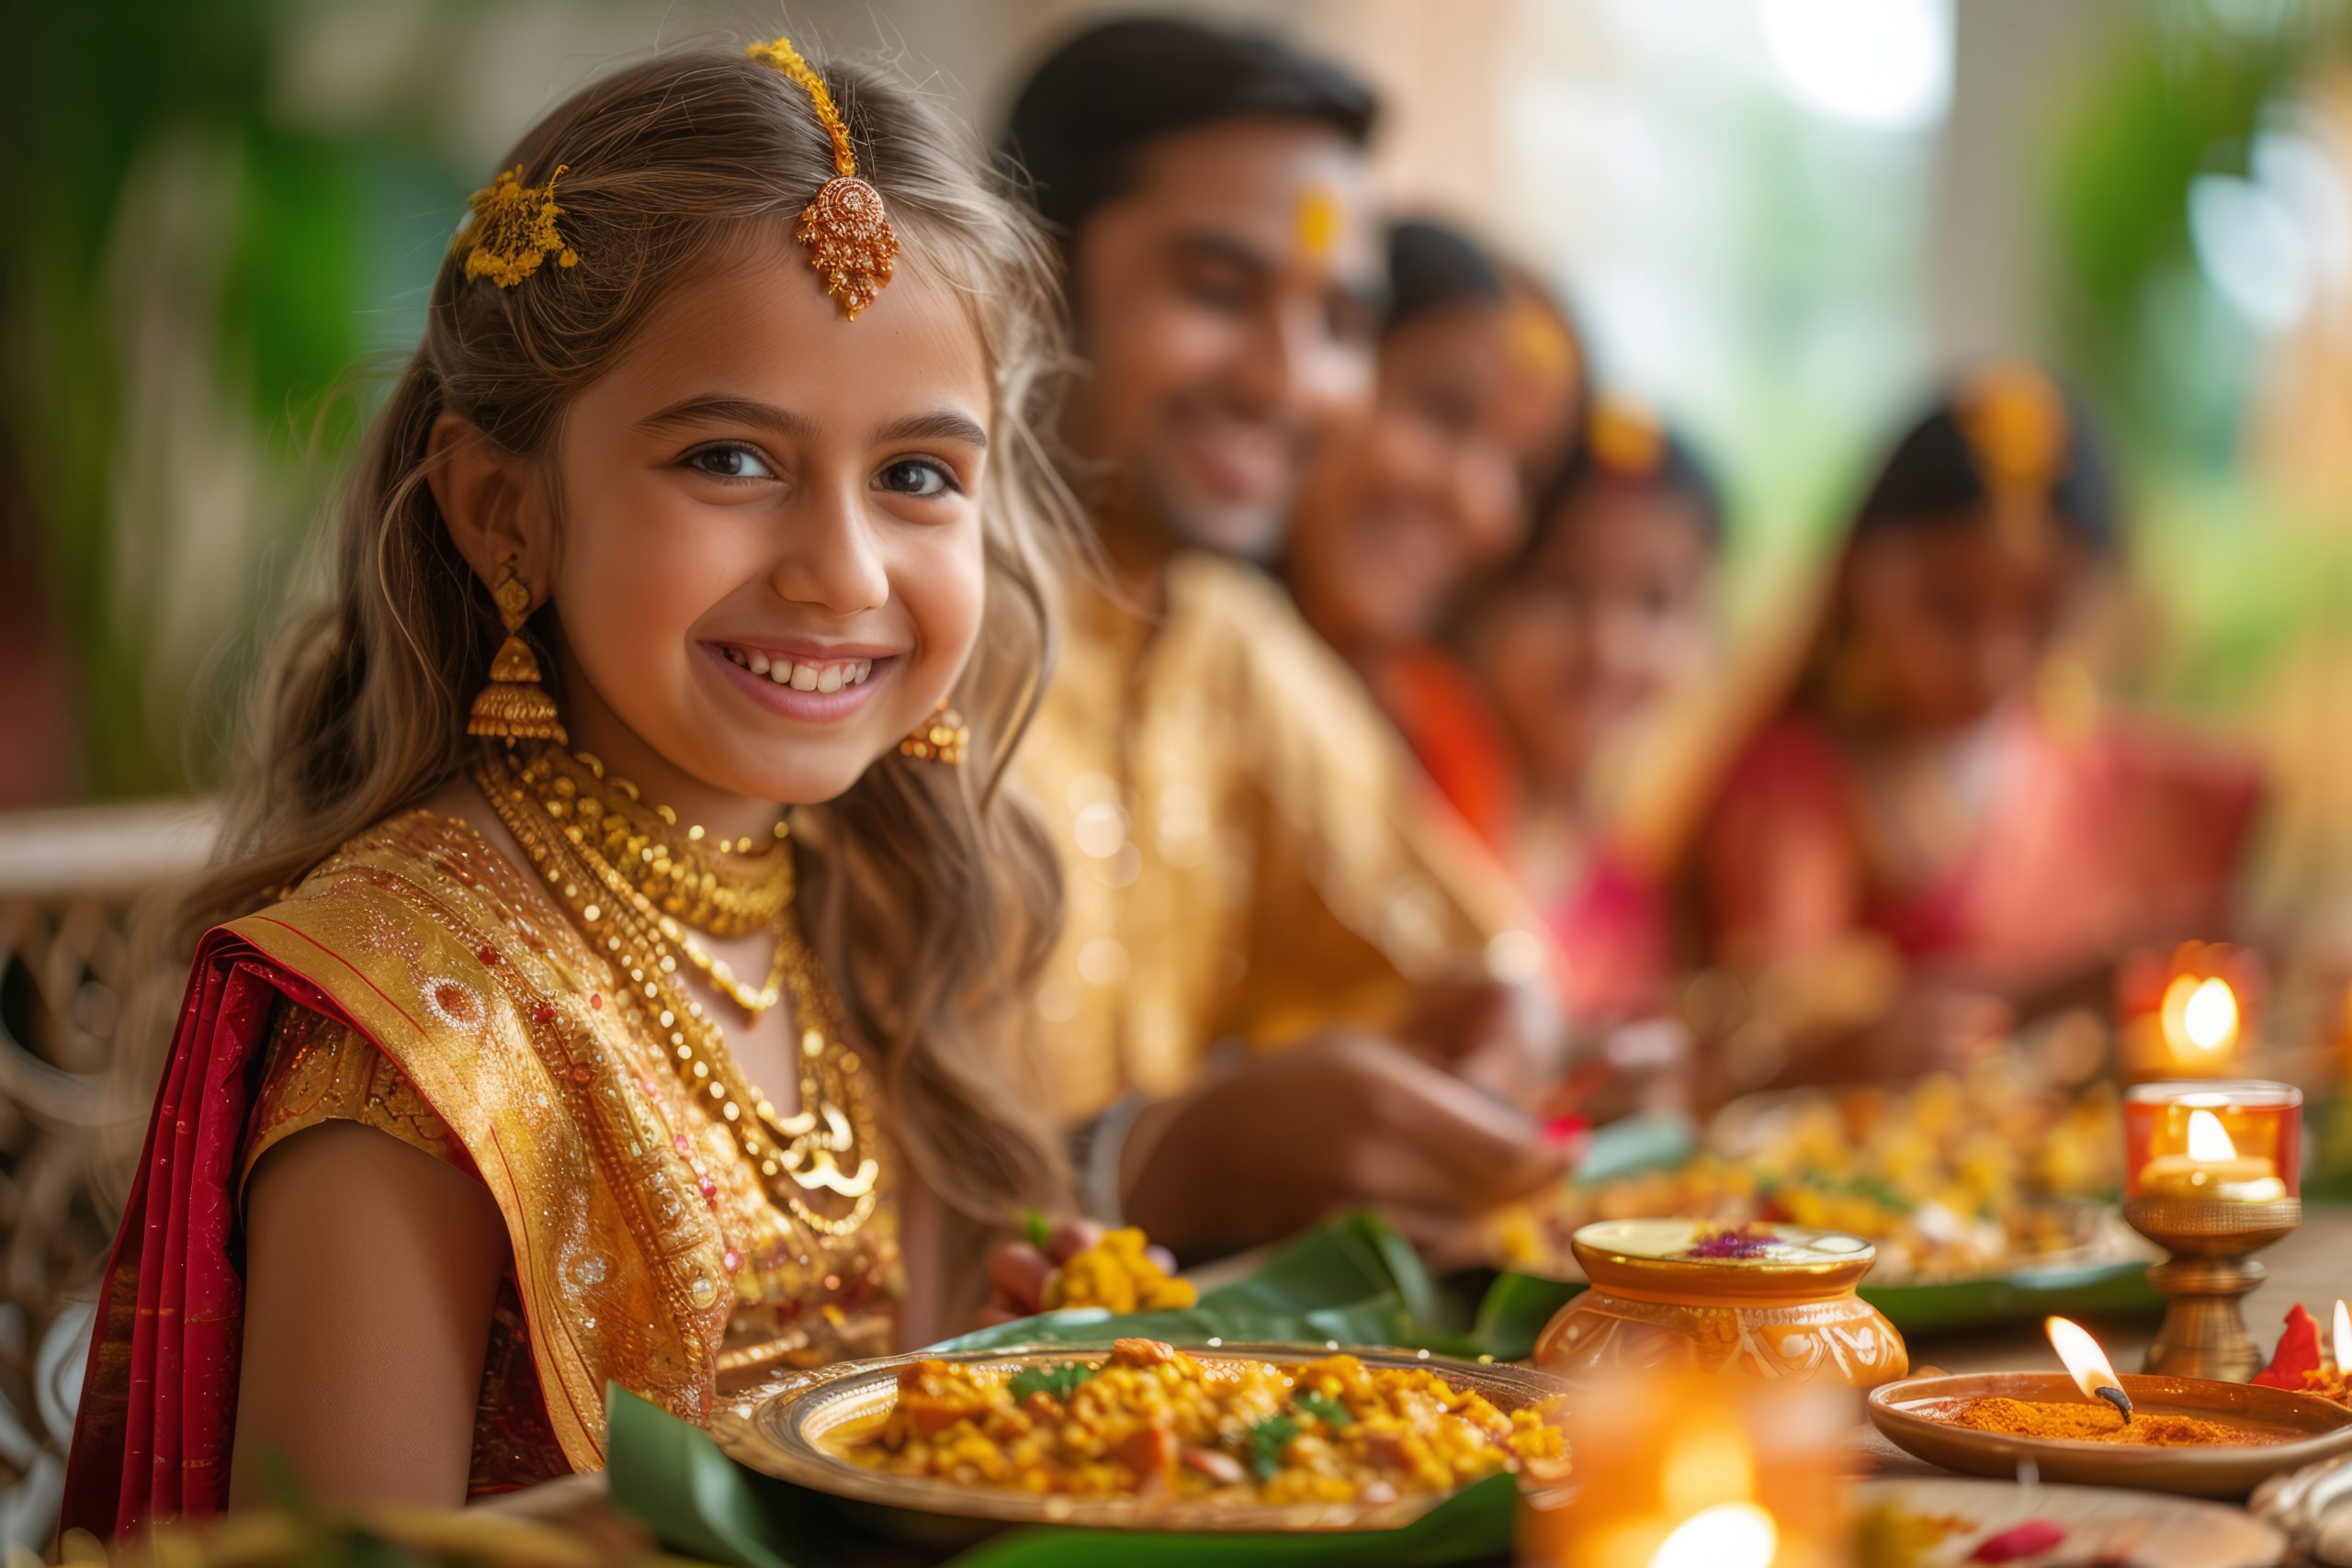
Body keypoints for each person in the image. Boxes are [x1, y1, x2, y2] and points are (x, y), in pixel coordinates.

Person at [64, 37, 1084, 1531]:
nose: (842, 571)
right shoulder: (423, 1022)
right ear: (502, 512)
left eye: (919, 475)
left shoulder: (863, 906)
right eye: (732, 458)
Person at [996, 16, 1570, 1264]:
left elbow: (1461, 949)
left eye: (1339, 322)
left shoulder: (1224, 634)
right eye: (1218, 290)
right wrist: (1160, 1162)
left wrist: (1503, 1025)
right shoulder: (889, 631)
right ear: (1024, 278)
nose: (1289, 378)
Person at [1682, 363, 2262, 1087]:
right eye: (1947, 609)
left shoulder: (2081, 760)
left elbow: (2249, 874)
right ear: (1860, 570)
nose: (1994, 659)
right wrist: (2068, 987)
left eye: (2041, 615)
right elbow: (1784, 1022)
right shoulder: (1794, 780)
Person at [1419, 398, 1724, 1025]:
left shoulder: (1637, 884)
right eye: (1561, 588)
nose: (1606, 648)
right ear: (1480, 594)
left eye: (1655, 603)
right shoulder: (1422, 804)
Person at [1283, 220, 1582, 705]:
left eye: (1525, 476)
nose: (1480, 504)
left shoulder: (1433, 752)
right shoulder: (1134, 602)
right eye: (1443, 412)